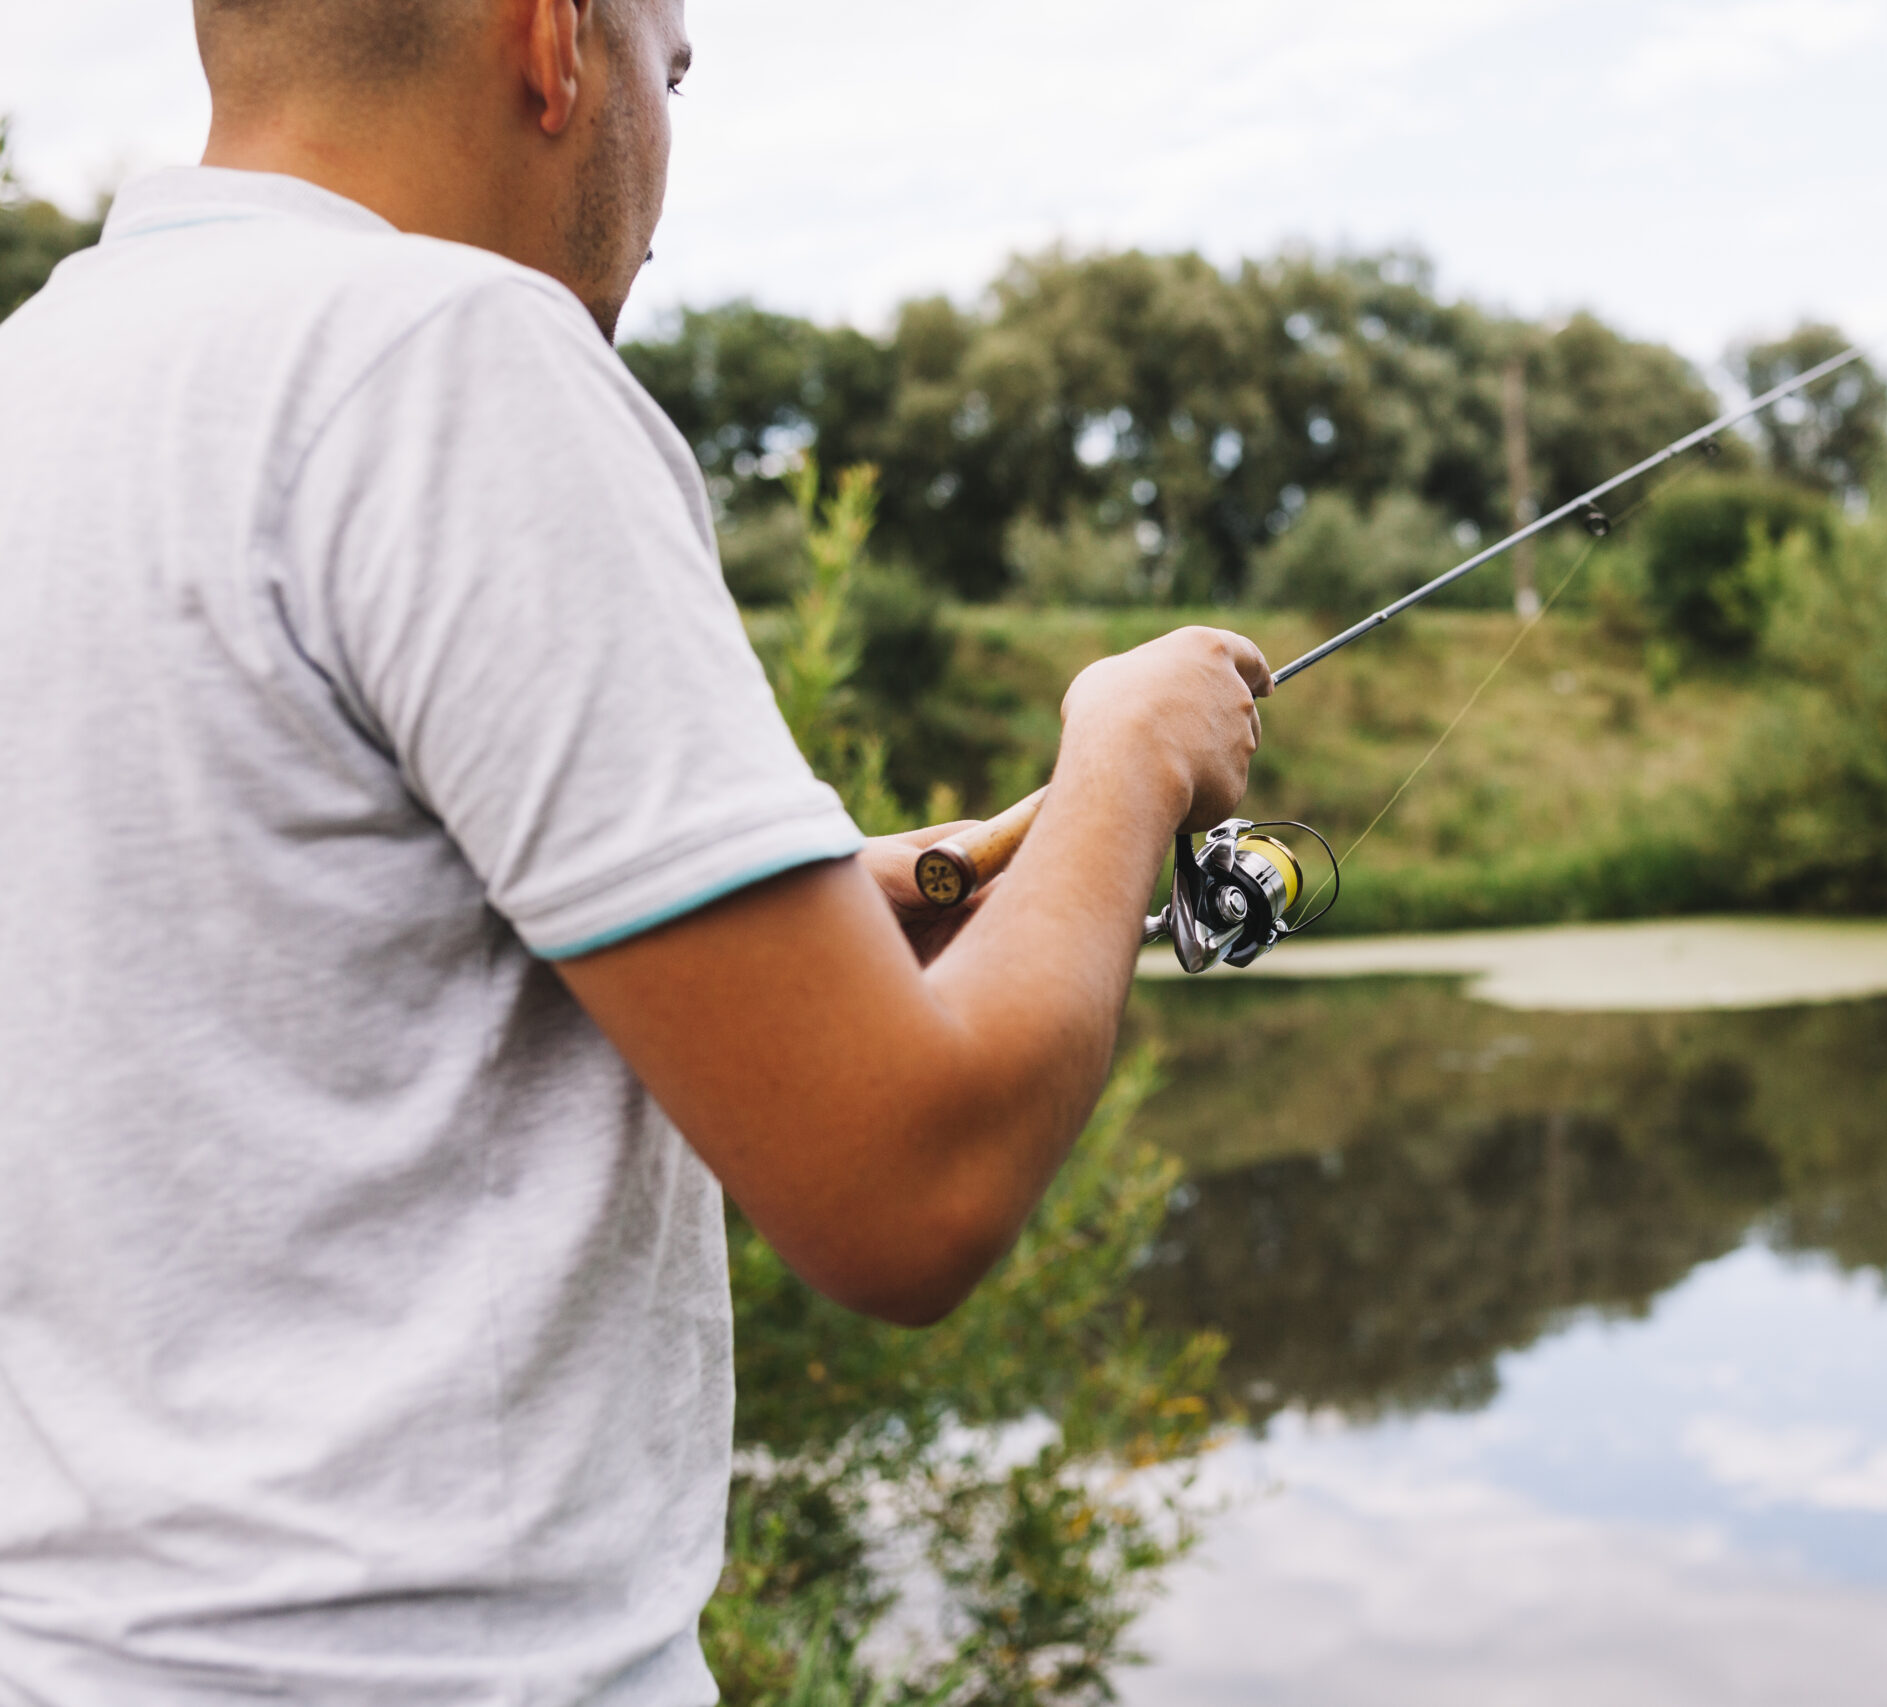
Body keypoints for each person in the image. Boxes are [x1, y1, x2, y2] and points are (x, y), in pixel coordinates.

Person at [0, 0, 1270, 1699]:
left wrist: (840, 902)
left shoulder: (50, 384)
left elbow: (242, 964)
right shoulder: (449, 356)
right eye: (670, 71)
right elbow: (911, 1189)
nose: (669, 141)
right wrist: (1129, 764)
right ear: (554, 41)